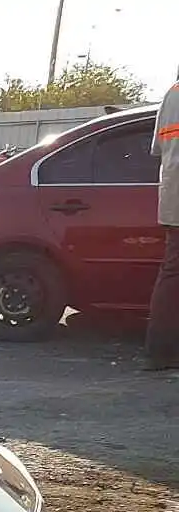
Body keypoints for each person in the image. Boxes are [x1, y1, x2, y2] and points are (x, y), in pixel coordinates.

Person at [146, 72, 179, 370]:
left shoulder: (171, 95)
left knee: (172, 275)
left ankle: (160, 350)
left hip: (172, 195)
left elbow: (158, 148)